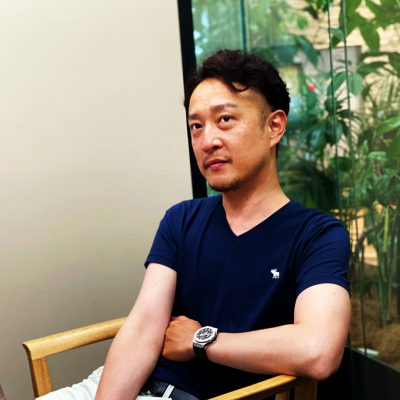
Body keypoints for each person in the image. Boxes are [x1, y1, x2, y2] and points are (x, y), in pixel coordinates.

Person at [41, 50, 350, 400]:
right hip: (118, 385)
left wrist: (201, 340)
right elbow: (143, 329)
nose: (207, 141)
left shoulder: (317, 236)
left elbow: (318, 350)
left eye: (225, 119)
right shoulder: (181, 219)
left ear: (274, 127)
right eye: (196, 126)